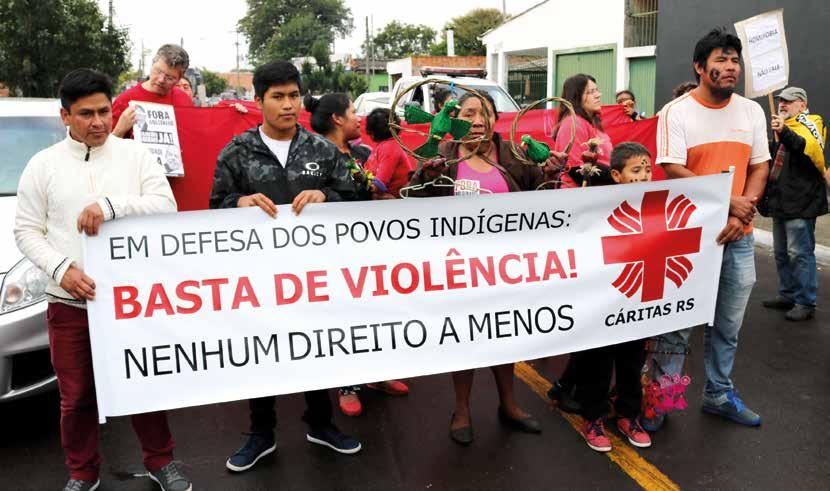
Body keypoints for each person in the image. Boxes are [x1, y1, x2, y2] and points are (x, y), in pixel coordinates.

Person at [14, 69, 190, 491]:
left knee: (143, 386)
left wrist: (110, 206)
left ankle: (161, 461)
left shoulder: (136, 156)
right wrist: (62, 270)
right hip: (70, 304)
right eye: (86, 114)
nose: (98, 122)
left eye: (104, 112)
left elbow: (165, 206)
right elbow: (26, 231)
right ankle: (82, 472)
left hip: (131, 303)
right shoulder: (43, 165)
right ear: (65, 117)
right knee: (76, 397)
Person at [210, 61, 362, 472]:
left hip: (315, 276)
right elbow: (214, 208)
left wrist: (326, 197)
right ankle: (261, 433)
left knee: (317, 346)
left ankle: (321, 424)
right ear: (258, 100)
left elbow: (354, 199)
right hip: (258, 278)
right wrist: (239, 203)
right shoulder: (237, 152)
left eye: (294, 95)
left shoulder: (322, 150)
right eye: (277, 97)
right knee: (262, 352)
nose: (288, 104)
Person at [407, 91, 565, 445]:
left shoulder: (513, 154)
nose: (478, 120)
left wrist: (551, 174)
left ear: (495, 119)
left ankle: (509, 404)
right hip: (457, 271)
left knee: (504, 336)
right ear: (455, 119)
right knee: (464, 339)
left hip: (506, 270)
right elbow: (412, 202)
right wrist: (425, 177)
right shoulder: (442, 154)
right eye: (469, 113)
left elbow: (541, 197)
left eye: (486, 113)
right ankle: (462, 410)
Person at [650, 27, 770, 430]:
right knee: (677, 325)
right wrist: (726, 201)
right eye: (721, 59)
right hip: (689, 237)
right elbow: (672, 168)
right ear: (700, 67)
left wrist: (740, 214)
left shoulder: (751, 112)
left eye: (735, 59)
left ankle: (719, 393)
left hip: (738, 236)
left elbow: (760, 166)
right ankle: (661, 399)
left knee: (728, 325)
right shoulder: (676, 112)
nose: (731, 66)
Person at [303, 93, 411, 416]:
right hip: (335, 253)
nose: (358, 118)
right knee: (344, 317)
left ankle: (377, 373)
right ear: (337, 119)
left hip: (369, 250)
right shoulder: (313, 158)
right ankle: (347, 384)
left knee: (375, 313)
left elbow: (372, 190)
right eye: (352, 112)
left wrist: (388, 199)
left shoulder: (361, 153)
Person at [576, 142, 654, 452]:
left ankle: (628, 415)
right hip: (602, 299)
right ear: (616, 175)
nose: (644, 176)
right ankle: (592, 418)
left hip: (636, 298)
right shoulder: (597, 204)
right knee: (598, 360)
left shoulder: (656, 205)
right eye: (636, 170)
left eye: (648, 170)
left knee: (632, 360)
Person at [760, 87, 827, 321]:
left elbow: (802, 148)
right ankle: (787, 294)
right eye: (781, 101)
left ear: (802, 104)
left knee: (799, 254)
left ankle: (805, 302)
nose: (782, 104)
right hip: (781, 200)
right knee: (781, 253)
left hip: (801, 201)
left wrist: (784, 131)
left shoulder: (812, 123)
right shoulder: (783, 128)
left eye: (788, 101)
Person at [112, 44, 194, 138]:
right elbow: (106, 145)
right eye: (158, 71)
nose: (161, 80)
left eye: (169, 78)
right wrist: (119, 130)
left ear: (179, 78)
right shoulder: (125, 100)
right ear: (152, 64)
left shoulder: (184, 101)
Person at [554, 74, 613, 188]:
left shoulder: (592, 123)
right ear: (576, 97)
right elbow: (576, 170)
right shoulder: (572, 123)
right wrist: (617, 177)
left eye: (597, 90)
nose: (598, 95)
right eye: (591, 92)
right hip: (581, 194)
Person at [364, 107, 415, 198]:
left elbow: (379, 184)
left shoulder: (389, 148)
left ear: (372, 131)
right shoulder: (385, 145)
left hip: (395, 198)